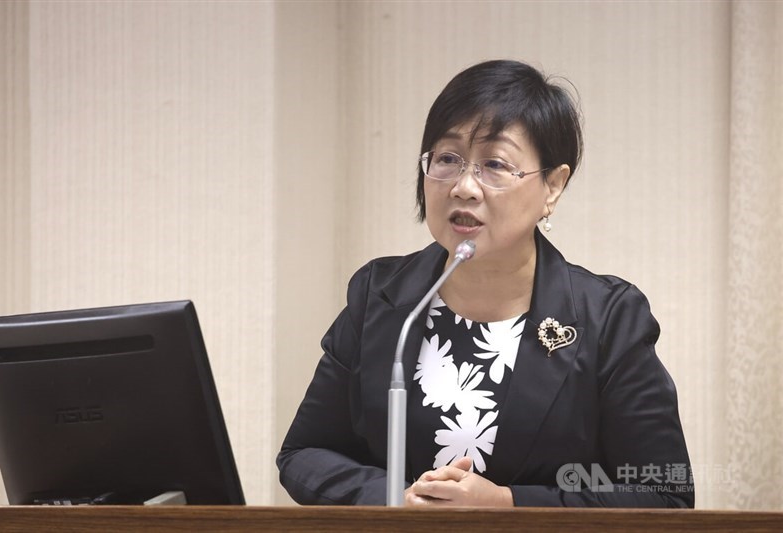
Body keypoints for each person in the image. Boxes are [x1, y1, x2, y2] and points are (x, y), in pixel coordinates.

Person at [277, 60, 694, 508]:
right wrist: (395, 500)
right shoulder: (381, 296)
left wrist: (510, 506)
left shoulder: (608, 317)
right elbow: (304, 454)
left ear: (553, 186)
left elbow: (662, 494)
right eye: (447, 159)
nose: (464, 187)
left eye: (494, 164)